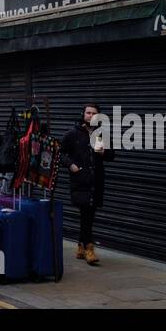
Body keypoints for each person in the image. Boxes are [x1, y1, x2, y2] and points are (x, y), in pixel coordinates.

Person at [62, 102, 114, 266]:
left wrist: (104, 152)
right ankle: (89, 248)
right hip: (80, 180)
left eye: (94, 113)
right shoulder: (72, 134)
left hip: (96, 181)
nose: (90, 115)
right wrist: (71, 165)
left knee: (88, 216)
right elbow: (60, 153)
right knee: (86, 214)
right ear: (83, 114)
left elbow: (112, 155)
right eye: (88, 113)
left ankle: (80, 247)